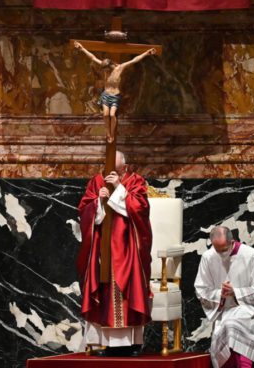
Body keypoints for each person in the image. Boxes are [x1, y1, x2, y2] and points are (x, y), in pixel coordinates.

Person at [77, 150, 152, 356]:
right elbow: (84, 210)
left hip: (128, 248)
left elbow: (141, 209)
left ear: (124, 167)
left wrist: (119, 188)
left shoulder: (136, 181)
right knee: (104, 292)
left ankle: (131, 344)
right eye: (108, 166)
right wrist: (97, 203)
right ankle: (105, 343)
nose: (110, 170)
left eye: (116, 168)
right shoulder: (96, 181)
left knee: (128, 290)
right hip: (103, 248)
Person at [194, 226, 254, 368]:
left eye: (224, 250)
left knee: (233, 325)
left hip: (249, 311)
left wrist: (236, 292)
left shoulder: (251, 255)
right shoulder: (208, 257)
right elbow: (201, 290)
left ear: (232, 242)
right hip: (224, 310)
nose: (221, 255)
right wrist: (220, 294)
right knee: (229, 324)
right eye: (217, 250)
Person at [73, 41, 156, 143]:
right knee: (105, 115)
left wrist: (147, 53)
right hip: (106, 95)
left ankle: (112, 133)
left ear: (110, 66)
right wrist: (81, 48)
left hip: (115, 96)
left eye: (106, 70)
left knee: (112, 115)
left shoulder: (119, 68)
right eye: (104, 70)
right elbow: (92, 57)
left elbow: (134, 60)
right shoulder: (104, 68)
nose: (105, 72)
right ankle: (108, 133)